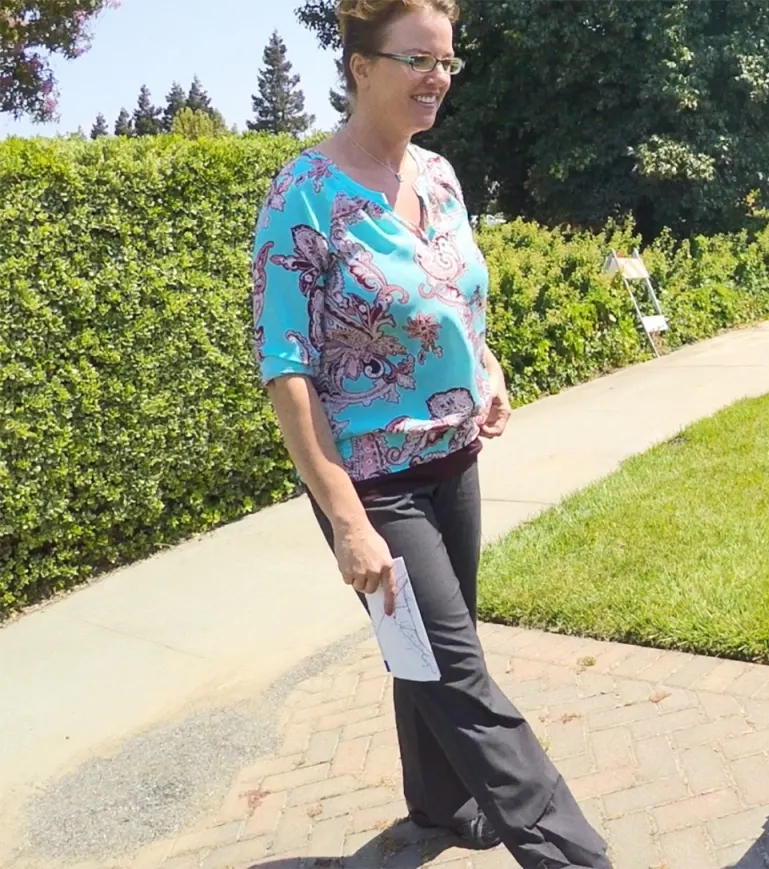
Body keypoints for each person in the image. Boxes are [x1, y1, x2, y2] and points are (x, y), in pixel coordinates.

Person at [249, 1, 609, 865]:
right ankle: (575, 854)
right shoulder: (303, 196)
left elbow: (457, 302)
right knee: (462, 680)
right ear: (359, 66)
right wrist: (345, 520)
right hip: (376, 482)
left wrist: (487, 368)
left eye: (447, 62)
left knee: (434, 653)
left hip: (455, 457)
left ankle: (441, 804)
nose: (437, 78)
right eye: (417, 59)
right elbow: (285, 370)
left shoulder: (439, 176)